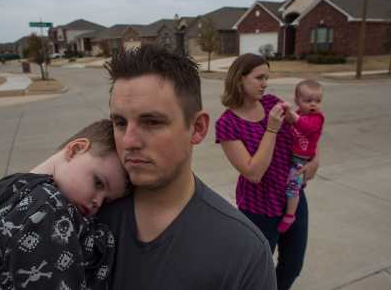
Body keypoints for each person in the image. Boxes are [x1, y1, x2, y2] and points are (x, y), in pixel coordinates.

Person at [98, 45, 276, 289]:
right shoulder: (88, 215)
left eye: (151, 122)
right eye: (120, 122)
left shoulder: (243, 251)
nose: (129, 141)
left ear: (198, 128)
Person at [0, 119, 128, 290]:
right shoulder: (47, 210)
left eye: (107, 201)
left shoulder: (6, 189)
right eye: (98, 183)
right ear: (75, 150)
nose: (98, 202)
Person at [215, 53, 319, 290]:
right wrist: (271, 129)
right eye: (259, 77)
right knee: (257, 271)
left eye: (267, 78)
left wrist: (314, 161)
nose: (265, 83)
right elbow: (253, 173)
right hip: (258, 208)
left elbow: (308, 133)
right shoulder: (227, 124)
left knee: (293, 265)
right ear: (240, 79)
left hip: (292, 198)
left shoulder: (273, 103)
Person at [278, 80, 325, 233]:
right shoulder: (298, 114)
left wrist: (291, 115)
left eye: (317, 101)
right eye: (308, 101)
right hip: (291, 156)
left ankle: (290, 215)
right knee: (289, 182)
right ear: (297, 100)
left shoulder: (317, 118)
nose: (313, 105)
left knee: (292, 187)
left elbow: (306, 127)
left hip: (301, 160)